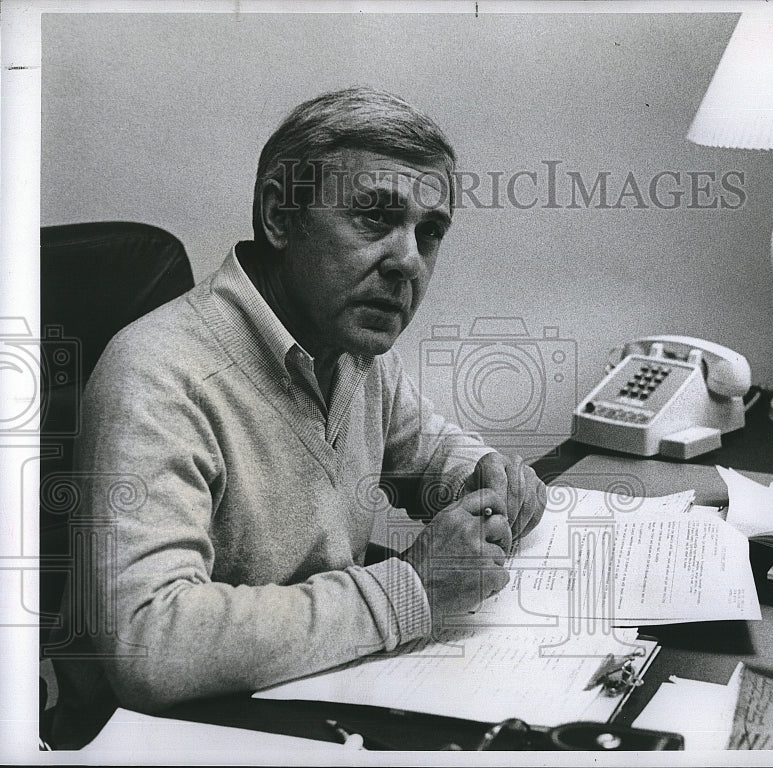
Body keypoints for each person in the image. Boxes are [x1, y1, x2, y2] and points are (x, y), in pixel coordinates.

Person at [49, 86, 546, 747]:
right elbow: (151, 643)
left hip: (301, 704)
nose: (408, 262)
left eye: (429, 235)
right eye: (374, 219)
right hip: (161, 738)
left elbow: (429, 453)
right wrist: (412, 590)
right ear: (281, 216)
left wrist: (483, 477)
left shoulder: (350, 345)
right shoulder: (158, 373)